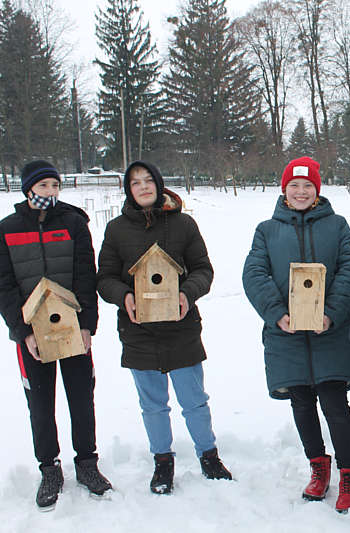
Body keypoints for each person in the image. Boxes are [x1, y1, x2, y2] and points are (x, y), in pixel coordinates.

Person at [97, 161, 232, 494]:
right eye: (135, 183)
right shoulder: (116, 230)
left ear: (159, 185)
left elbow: (203, 269)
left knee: (194, 400)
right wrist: (123, 296)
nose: (143, 187)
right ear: (128, 190)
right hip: (138, 330)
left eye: (148, 181)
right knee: (153, 404)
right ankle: (163, 462)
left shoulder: (183, 224)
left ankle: (209, 455)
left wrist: (187, 293)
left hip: (181, 327)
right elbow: (104, 278)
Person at [242, 156, 350, 513]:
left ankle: (349, 472)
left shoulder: (338, 226)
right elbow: (254, 274)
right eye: (294, 185)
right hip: (287, 338)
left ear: (317, 190)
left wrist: (332, 313)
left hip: (330, 333)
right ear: (284, 190)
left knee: (336, 406)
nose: (300, 191)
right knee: (302, 406)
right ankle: (318, 467)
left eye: (307, 185)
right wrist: (277, 314)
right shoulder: (267, 230)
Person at [0, 160, 112, 510]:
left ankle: (87, 463)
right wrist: (22, 331)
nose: (50, 192)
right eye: (44, 186)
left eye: (55, 186)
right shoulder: (7, 229)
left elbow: (85, 276)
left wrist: (86, 325)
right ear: (29, 188)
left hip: (71, 327)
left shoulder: (74, 224)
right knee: (40, 403)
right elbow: (4, 285)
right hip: (32, 334)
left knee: (81, 396)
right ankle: (49, 469)